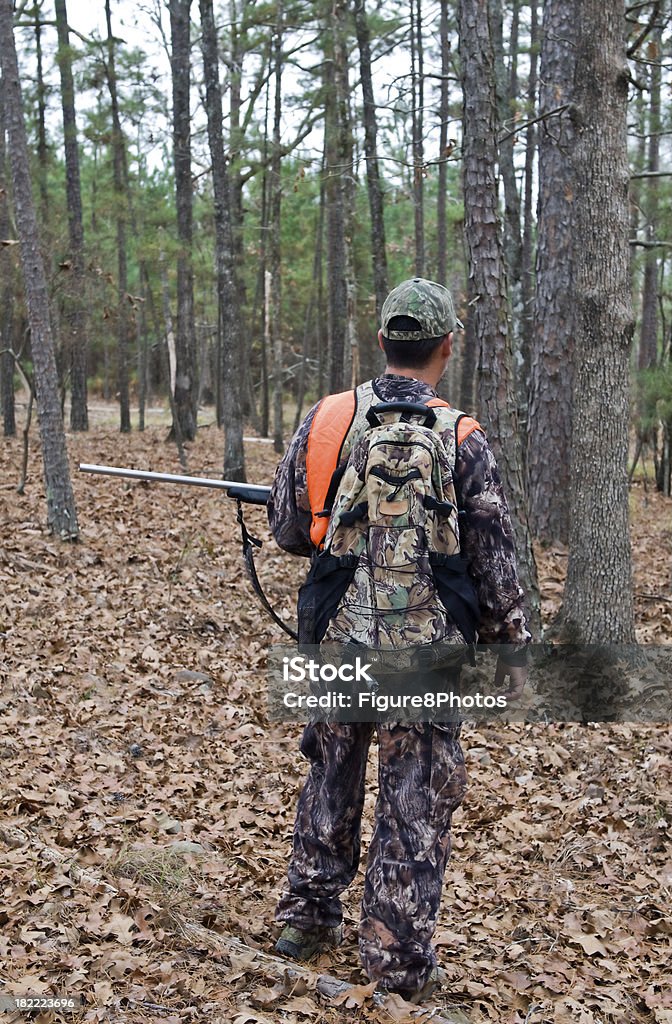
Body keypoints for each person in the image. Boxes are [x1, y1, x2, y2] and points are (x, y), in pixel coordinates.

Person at [267, 277, 530, 1002]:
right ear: (448, 346)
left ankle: (306, 918)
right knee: (415, 800)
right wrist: (512, 646)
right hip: (428, 652)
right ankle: (396, 959)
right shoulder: (464, 438)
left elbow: (291, 531)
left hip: (339, 640)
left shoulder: (328, 419)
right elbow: (496, 562)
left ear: (383, 341)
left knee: (330, 772)